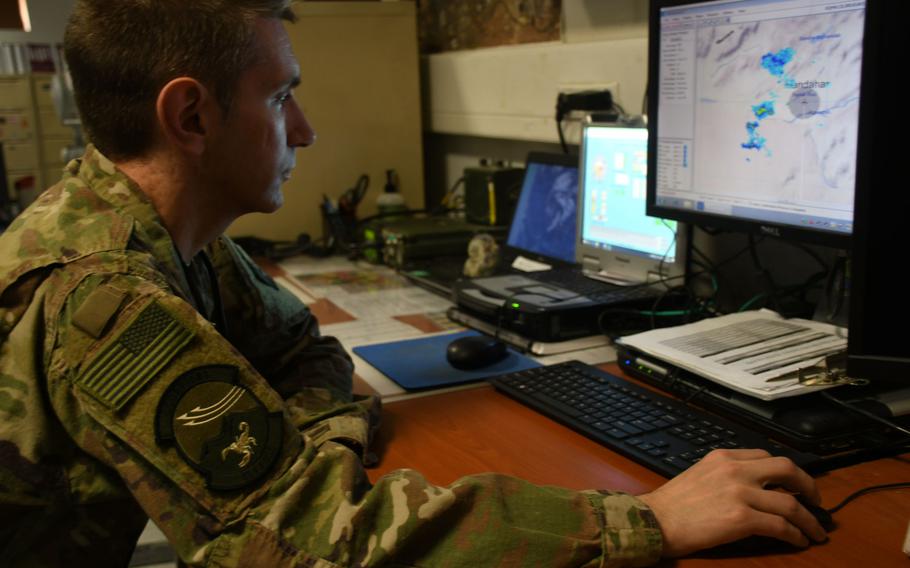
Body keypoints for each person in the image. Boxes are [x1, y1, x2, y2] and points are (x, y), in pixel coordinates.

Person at [0, 0, 828, 565]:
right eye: (281, 95)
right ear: (190, 118)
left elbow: (301, 348)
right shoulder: (105, 299)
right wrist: (650, 519)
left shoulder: (168, 239)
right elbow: (316, 546)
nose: (305, 129)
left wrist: (318, 449)